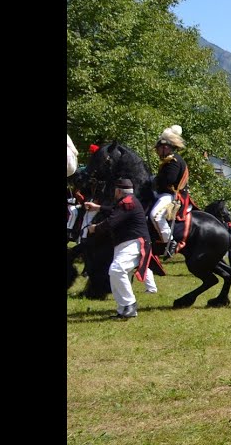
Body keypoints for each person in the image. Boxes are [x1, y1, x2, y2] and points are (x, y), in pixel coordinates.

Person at [85, 178, 152, 319]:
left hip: (134, 243)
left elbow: (110, 222)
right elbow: (114, 210)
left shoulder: (127, 203)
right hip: (125, 243)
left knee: (116, 270)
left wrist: (94, 228)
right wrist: (98, 208)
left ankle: (130, 304)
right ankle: (123, 309)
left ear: (119, 191)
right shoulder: (127, 201)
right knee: (118, 274)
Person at [151, 125, 189, 259]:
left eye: (159, 148)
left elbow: (169, 180)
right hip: (162, 194)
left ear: (166, 147)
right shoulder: (168, 161)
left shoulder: (174, 161)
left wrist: (154, 180)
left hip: (170, 195)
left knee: (155, 215)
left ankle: (169, 241)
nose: (158, 151)